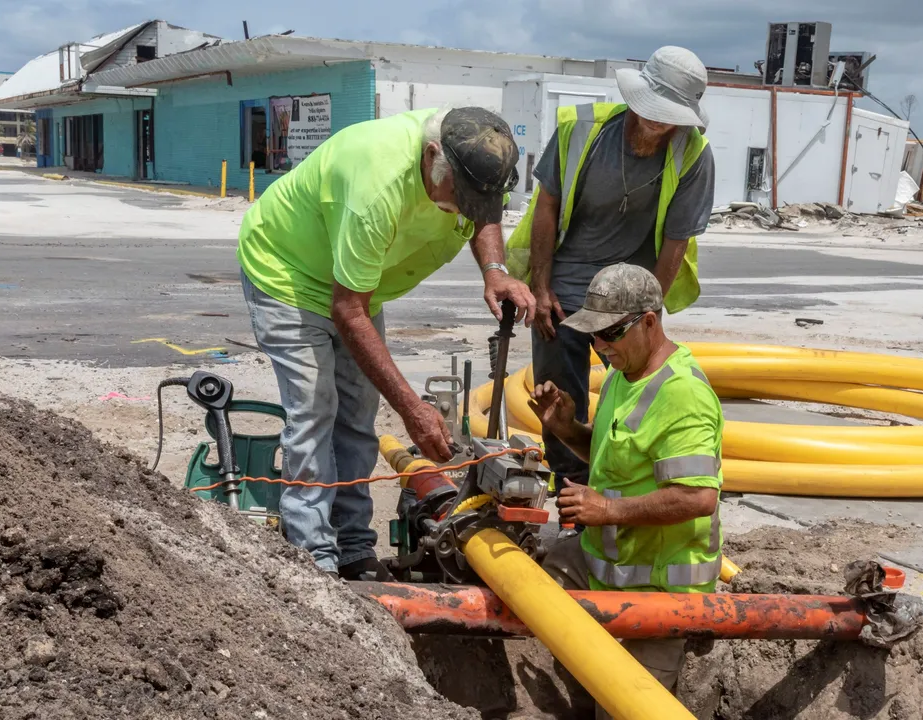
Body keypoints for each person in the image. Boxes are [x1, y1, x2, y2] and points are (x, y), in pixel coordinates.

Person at [237, 107, 536, 580]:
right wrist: (412, 409)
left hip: (358, 287)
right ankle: (314, 557)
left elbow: (486, 219)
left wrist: (495, 271)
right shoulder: (374, 186)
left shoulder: (471, 158)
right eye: (461, 198)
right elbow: (347, 309)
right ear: (431, 156)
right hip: (290, 276)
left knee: (357, 413)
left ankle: (354, 546)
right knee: (316, 410)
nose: (466, 210)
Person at [506, 45, 716, 487]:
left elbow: (676, 242)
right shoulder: (580, 129)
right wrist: (541, 288)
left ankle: (620, 478)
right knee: (558, 393)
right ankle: (570, 488)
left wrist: (645, 316)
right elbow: (546, 207)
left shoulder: (694, 154)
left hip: (629, 286)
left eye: (670, 114)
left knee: (632, 383)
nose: (659, 121)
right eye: (653, 109)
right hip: (566, 276)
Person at [530, 264, 723, 717]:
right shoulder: (623, 373)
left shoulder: (683, 396)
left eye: (610, 334)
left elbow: (698, 497)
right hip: (610, 562)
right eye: (593, 336)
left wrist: (607, 511)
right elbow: (609, 454)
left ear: (649, 322)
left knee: (623, 707)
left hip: (661, 589)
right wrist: (564, 428)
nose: (599, 347)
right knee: (538, 583)